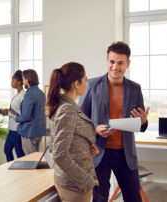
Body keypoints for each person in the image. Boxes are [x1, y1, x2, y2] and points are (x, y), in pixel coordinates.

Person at [78, 41, 150, 202]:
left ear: (127, 64)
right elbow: (80, 120)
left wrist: (143, 121)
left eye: (120, 63)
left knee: (134, 198)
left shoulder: (135, 89)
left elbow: (141, 125)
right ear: (107, 61)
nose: (115, 66)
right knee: (100, 199)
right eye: (112, 61)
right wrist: (95, 129)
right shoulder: (91, 85)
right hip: (99, 153)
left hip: (126, 154)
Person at [47, 62, 99, 202]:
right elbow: (60, 154)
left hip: (73, 181)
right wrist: (86, 180)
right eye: (85, 79)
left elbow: (68, 139)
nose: (87, 84)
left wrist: (85, 148)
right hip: (74, 185)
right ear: (77, 83)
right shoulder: (67, 109)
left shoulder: (64, 105)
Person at [14, 69, 46, 155]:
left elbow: (26, 116)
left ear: (27, 80)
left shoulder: (29, 94)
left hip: (29, 132)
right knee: (37, 158)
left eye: (24, 79)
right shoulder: (41, 93)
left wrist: (16, 118)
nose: (23, 82)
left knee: (30, 159)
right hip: (39, 131)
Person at [0, 70, 25, 162]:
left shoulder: (23, 96)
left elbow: (22, 114)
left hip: (17, 129)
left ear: (19, 82)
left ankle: (23, 173)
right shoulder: (17, 95)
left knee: (20, 154)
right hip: (12, 128)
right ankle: (12, 170)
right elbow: (14, 111)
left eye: (13, 80)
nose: (11, 82)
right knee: (7, 150)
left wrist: (7, 112)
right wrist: (6, 111)